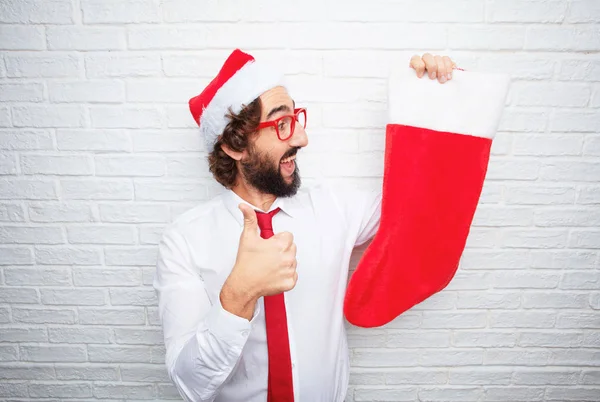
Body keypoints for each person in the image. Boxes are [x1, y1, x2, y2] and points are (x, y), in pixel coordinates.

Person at [153, 49, 457, 402]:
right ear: (235, 145)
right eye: (281, 124)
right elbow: (190, 384)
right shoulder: (184, 241)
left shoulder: (336, 207)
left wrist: (432, 102)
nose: (301, 138)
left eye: (296, 117)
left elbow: (422, 204)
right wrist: (239, 294)